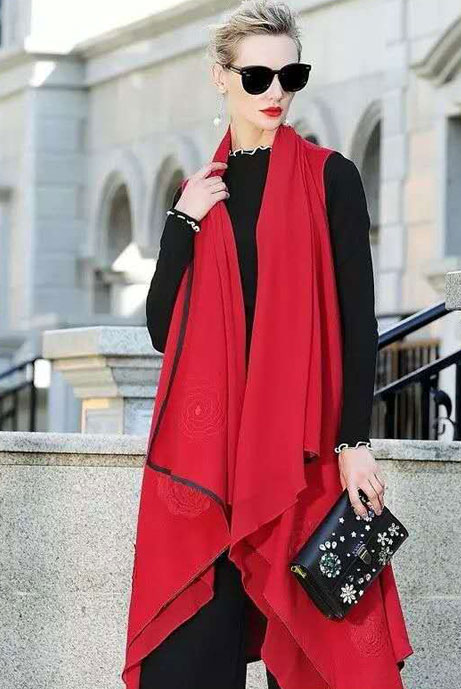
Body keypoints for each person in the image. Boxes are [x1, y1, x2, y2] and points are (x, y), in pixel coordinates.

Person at [122, 2, 414, 688]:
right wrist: (182, 222)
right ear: (220, 77)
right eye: (257, 76)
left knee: (317, 650)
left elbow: (359, 321)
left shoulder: (331, 177)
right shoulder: (203, 191)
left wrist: (355, 442)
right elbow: (164, 330)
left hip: (299, 450)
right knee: (193, 654)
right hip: (212, 456)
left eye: (291, 75)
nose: (275, 92)